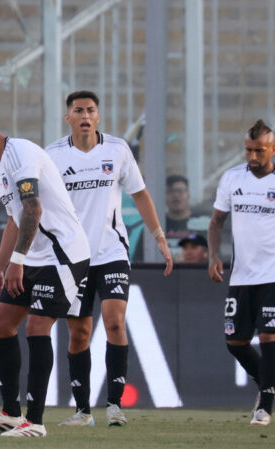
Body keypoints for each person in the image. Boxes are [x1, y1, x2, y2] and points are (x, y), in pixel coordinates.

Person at [0, 105, 91, 438]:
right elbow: (15, 220)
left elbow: (33, 209)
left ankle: (36, 421)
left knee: (38, 326)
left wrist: (17, 261)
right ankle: (10, 414)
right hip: (34, 257)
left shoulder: (23, 154)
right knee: (0, 323)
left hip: (63, 255)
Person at [45, 90, 173, 427]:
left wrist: (159, 236)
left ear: (98, 116)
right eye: (78, 110)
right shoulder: (53, 156)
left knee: (115, 321)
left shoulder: (117, 150)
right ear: (68, 117)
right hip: (73, 257)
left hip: (112, 251)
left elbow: (140, 194)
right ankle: (83, 411)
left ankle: (114, 405)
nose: (85, 115)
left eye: (90, 110)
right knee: (79, 334)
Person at [208, 119, 275, 426]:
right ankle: (268, 381)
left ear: (273, 149)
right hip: (241, 275)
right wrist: (213, 255)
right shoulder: (231, 179)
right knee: (235, 342)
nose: (253, 158)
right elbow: (216, 222)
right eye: (249, 150)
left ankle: (264, 406)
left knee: (269, 336)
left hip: (274, 274)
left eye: (260, 151)